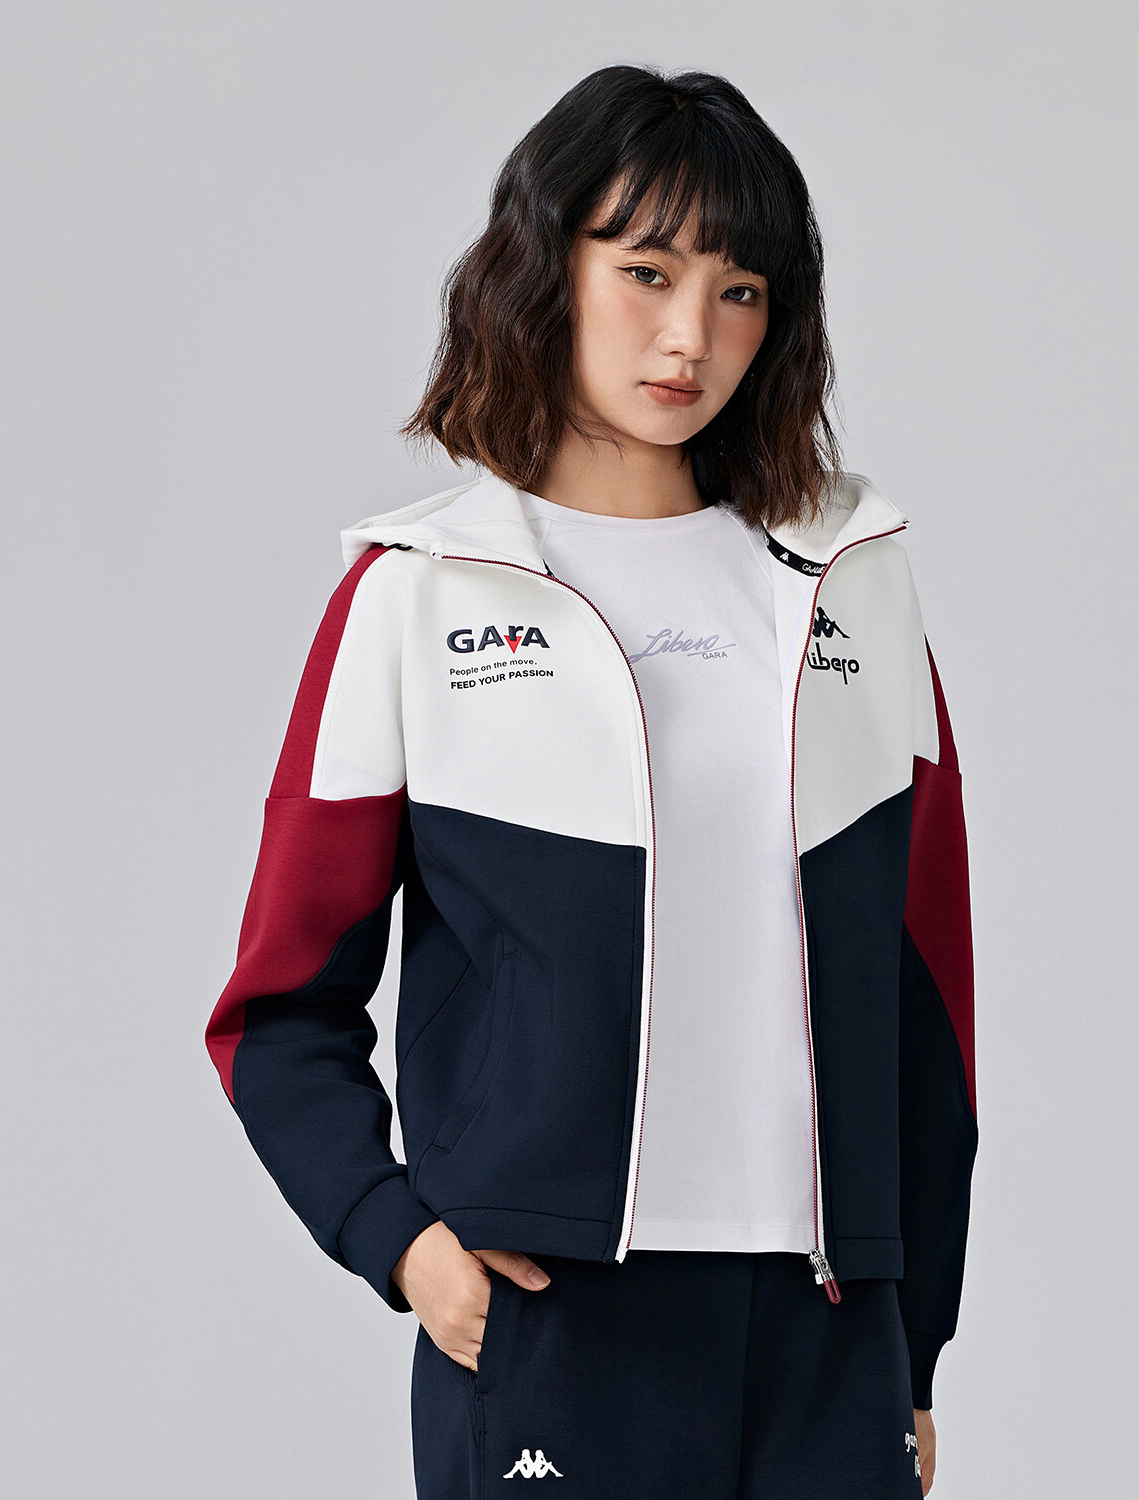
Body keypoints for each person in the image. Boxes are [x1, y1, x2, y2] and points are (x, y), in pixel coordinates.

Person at [204, 64, 977, 1499]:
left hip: (830, 1326)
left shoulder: (851, 586)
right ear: (545, 265)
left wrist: (913, 1338)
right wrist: (403, 1244)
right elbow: (276, 1010)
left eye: (741, 292)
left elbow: (928, 996)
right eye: (647, 271)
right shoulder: (418, 594)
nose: (691, 336)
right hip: (555, 1318)